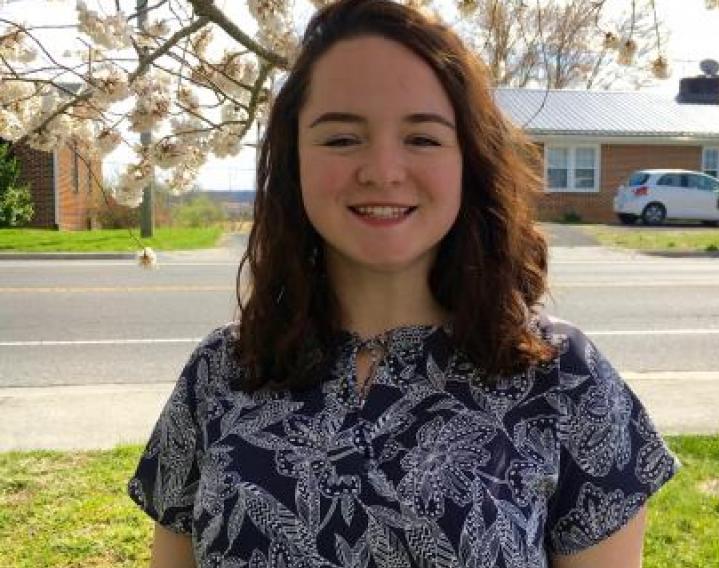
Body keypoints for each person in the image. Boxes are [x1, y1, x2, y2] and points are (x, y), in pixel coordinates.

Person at [128, 0, 679, 566]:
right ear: (294, 161)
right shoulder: (219, 373)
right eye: (342, 138)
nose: (383, 171)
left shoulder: (566, 379)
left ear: (470, 160)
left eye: (422, 138)